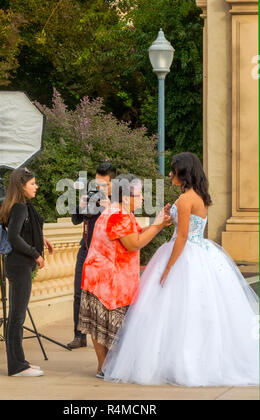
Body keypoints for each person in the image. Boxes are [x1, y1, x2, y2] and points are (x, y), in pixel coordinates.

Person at [103, 152, 259, 387]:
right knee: (196, 311)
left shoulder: (186, 200)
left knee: (176, 311)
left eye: (173, 170)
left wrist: (167, 268)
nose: (170, 174)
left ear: (183, 173)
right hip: (202, 253)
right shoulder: (200, 196)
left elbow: (182, 237)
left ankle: (178, 362)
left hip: (184, 254)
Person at [78, 174, 172, 378]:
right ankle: (105, 367)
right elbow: (134, 243)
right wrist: (157, 227)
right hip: (108, 281)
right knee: (107, 326)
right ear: (126, 196)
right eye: (139, 194)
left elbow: (135, 235)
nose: (143, 198)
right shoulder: (118, 215)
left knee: (99, 326)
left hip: (99, 277)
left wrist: (157, 223)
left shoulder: (119, 212)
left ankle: (104, 367)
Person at [0, 167, 54, 377]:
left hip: (20, 265)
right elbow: (14, 237)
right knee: (17, 317)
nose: (36, 187)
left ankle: (20, 362)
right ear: (21, 186)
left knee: (17, 316)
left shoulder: (21, 205)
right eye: (32, 184)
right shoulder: (19, 207)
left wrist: (42, 239)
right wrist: (35, 254)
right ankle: (17, 366)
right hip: (19, 265)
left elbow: (24, 230)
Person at [67, 162, 117, 349]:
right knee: (79, 294)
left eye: (103, 184)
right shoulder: (90, 194)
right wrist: (80, 205)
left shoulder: (119, 200)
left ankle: (106, 336)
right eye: (96, 183)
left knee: (104, 297)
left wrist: (109, 207)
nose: (98, 187)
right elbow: (75, 220)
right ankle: (79, 335)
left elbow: (124, 225)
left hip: (106, 253)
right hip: (86, 250)